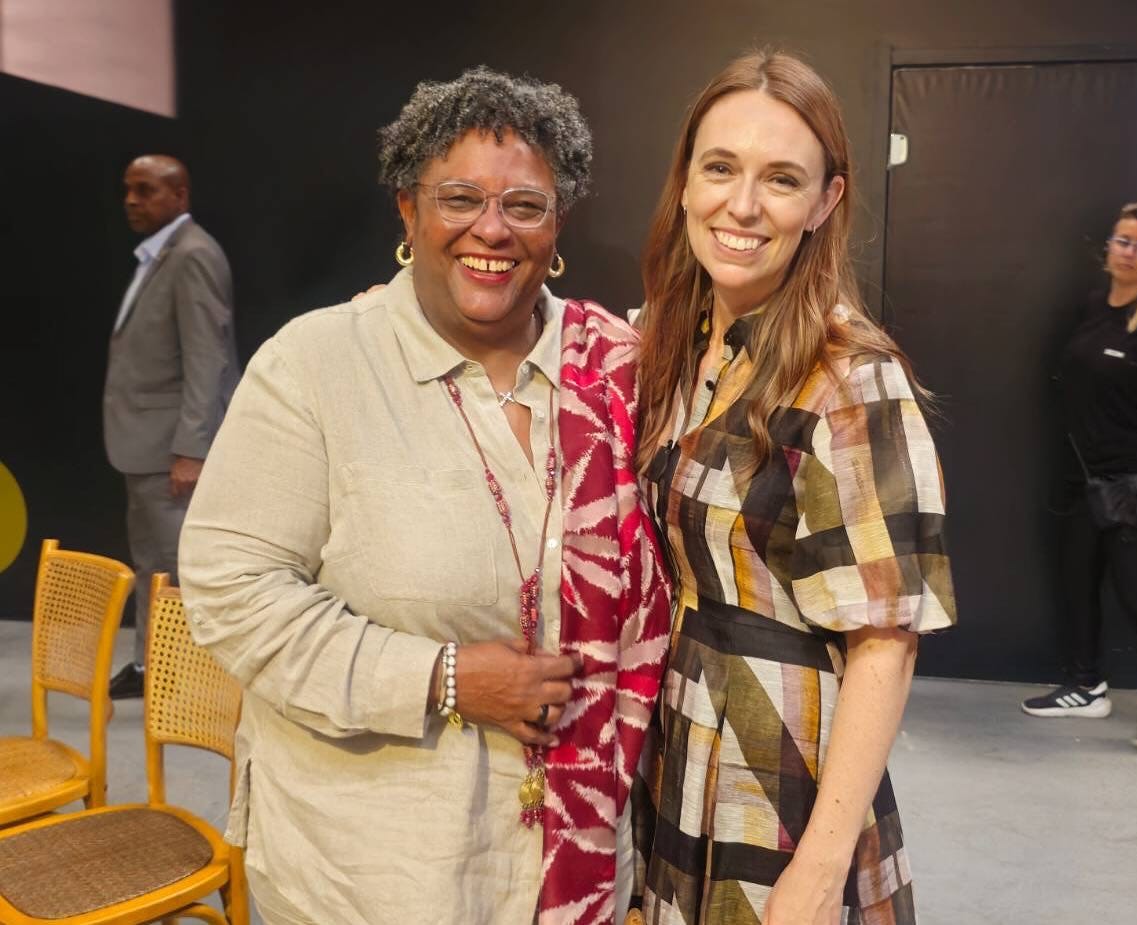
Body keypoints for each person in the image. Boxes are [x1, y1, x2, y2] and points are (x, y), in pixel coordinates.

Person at [178, 67, 671, 925]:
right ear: (408, 211)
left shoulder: (620, 374)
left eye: (524, 205)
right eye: (459, 198)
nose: (493, 228)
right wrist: (440, 677)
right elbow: (231, 590)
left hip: (577, 862)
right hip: (374, 878)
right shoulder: (316, 366)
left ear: (557, 225)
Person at [630, 52, 956, 925]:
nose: (742, 205)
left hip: (781, 766)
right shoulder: (669, 344)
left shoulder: (851, 379)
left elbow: (885, 641)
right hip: (676, 734)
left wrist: (820, 865)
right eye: (720, 167)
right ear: (686, 181)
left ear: (825, 202)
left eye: (781, 179)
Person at [1021, 202, 1137, 753]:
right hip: (1087, 476)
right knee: (1077, 580)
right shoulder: (1097, 305)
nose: (1129, 252)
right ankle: (1086, 686)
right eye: (1123, 241)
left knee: (1136, 593)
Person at [105, 154, 238, 699]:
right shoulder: (163, 253)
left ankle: (187, 678)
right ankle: (150, 665)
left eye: (146, 190)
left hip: (170, 450)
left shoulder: (192, 255)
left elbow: (209, 359)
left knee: (180, 567)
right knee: (153, 562)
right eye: (128, 189)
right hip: (147, 445)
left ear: (179, 195)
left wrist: (192, 449)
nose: (132, 200)